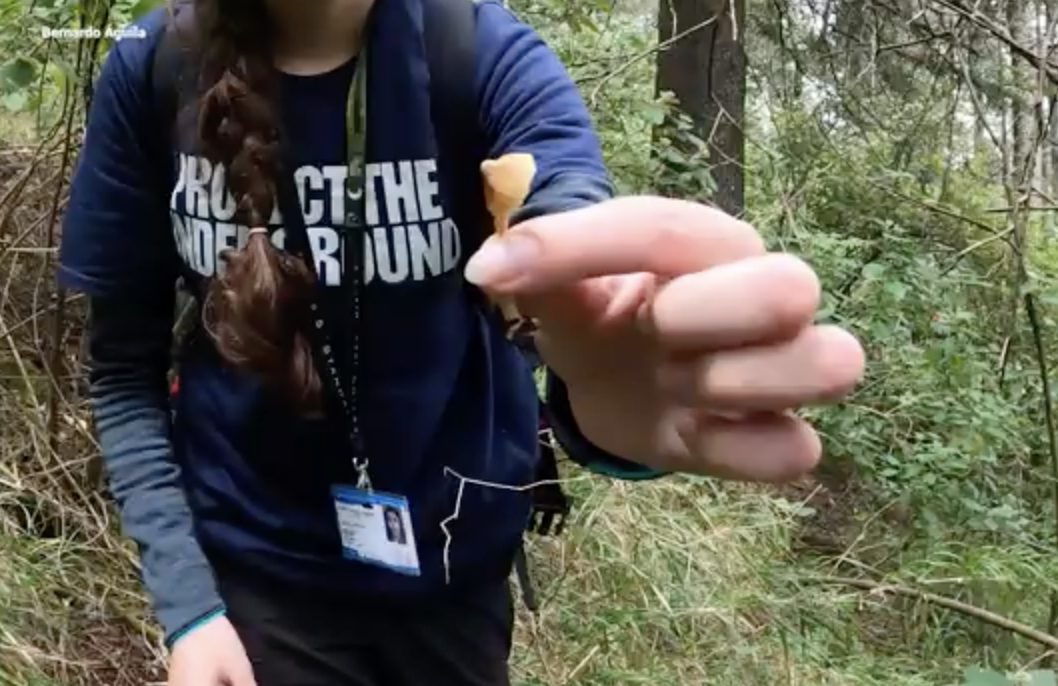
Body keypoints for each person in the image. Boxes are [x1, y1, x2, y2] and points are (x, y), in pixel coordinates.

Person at [58, 0, 866, 685]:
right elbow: (123, 371)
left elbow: (574, 247)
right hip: (252, 578)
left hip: (453, 571)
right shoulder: (154, 65)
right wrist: (189, 609)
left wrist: (605, 378)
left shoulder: (477, 53)